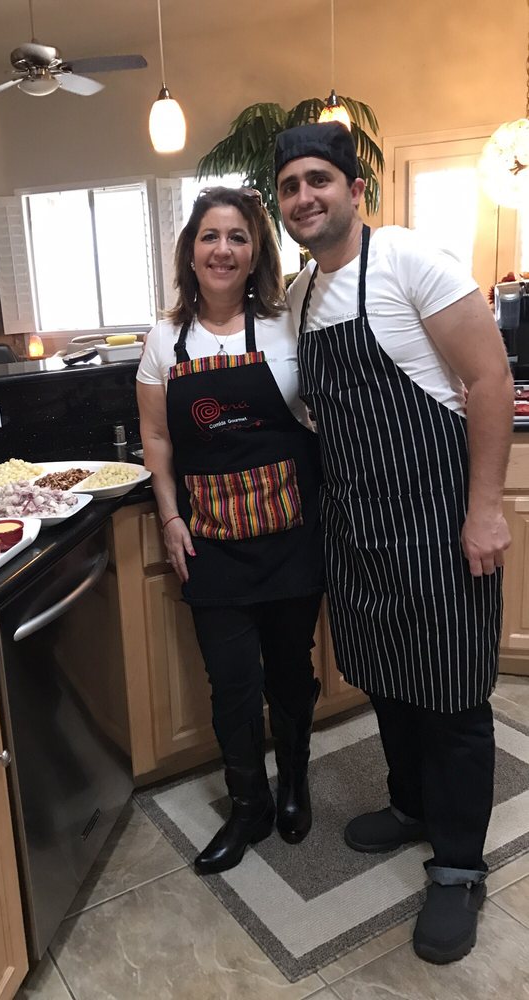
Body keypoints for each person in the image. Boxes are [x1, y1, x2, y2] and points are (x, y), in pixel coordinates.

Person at [274, 122, 514, 964]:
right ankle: (412, 805)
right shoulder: (301, 296)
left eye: (318, 180)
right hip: (359, 532)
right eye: (290, 186)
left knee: (451, 698)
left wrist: (485, 509)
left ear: (354, 190)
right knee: (388, 682)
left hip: (440, 522)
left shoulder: (409, 260)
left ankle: (459, 866)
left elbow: (490, 379)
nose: (304, 197)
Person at [136, 186, 325, 875]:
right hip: (211, 540)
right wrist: (169, 516)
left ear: (255, 254)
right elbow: (157, 437)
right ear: (191, 251)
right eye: (210, 236)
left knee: (291, 671)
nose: (223, 249)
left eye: (238, 237)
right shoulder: (164, 338)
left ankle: (295, 782)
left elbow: (321, 411)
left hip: (290, 532)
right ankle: (249, 805)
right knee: (232, 683)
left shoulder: (287, 324)